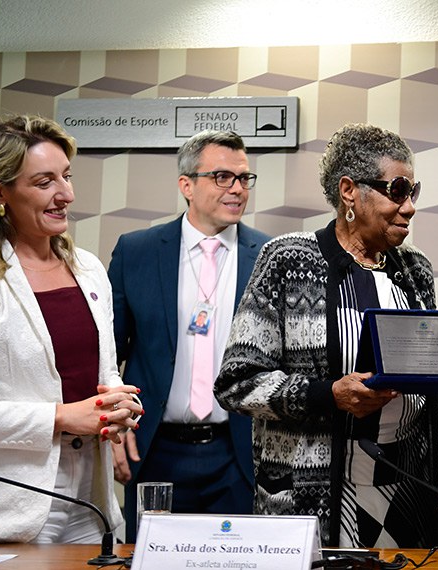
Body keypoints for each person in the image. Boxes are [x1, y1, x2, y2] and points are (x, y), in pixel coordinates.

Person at [215, 123, 438, 549]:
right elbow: (237, 383)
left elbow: (421, 378)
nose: (409, 207)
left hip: (408, 493)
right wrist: (328, 394)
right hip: (312, 499)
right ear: (349, 190)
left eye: (414, 192)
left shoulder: (415, 270)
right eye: (397, 190)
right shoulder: (286, 259)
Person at [0, 115, 142, 543]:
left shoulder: (88, 267)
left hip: (94, 496)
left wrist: (116, 402)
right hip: (13, 502)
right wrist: (61, 417)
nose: (66, 194)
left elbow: (102, 370)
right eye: (44, 182)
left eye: (66, 176)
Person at [108, 130, 271, 542]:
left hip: (238, 455)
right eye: (222, 177)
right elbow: (107, 352)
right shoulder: (137, 251)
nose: (237, 189)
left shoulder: (270, 255)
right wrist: (114, 425)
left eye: (244, 178)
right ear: (186, 185)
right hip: (156, 451)